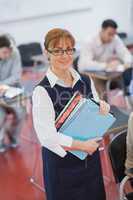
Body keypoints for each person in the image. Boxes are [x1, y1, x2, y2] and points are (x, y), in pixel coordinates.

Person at [32, 28, 111, 200]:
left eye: (69, 49)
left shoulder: (85, 80)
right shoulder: (42, 91)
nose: (65, 55)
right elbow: (47, 137)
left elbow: (95, 110)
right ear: (47, 53)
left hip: (90, 161)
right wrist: (82, 146)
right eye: (58, 50)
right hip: (62, 167)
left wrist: (102, 108)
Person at [78, 19, 132, 98]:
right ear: (102, 30)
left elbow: (125, 53)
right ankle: (104, 107)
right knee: (102, 92)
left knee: (124, 82)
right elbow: (84, 64)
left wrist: (127, 62)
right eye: (109, 34)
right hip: (91, 74)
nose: (112, 37)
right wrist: (106, 65)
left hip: (106, 73)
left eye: (114, 34)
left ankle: (123, 106)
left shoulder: (114, 38)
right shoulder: (89, 41)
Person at [0, 35, 25, 152]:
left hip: (12, 91)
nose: (8, 55)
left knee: (21, 112)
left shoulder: (14, 53)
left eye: (9, 51)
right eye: (5, 52)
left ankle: (12, 135)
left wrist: (2, 85)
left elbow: (16, 76)